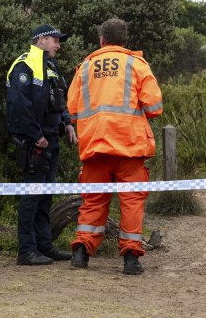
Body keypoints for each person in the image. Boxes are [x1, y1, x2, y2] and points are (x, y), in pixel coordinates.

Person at [67, 18, 163, 275]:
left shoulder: (85, 67)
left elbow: (72, 111)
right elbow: (155, 107)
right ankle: (131, 258)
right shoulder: (137, 64)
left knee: (93, 201)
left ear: (101, 39)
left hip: (94, 146)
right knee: (131, 202)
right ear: (124, 40)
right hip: (129, 147)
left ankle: (80, 253)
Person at [6, 24, 78, 266]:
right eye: (56, 41)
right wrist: (36, 135)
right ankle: (26, 250)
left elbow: (59, 99)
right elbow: (19, 105)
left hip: (52, 140)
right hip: (35, 142)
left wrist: (67, 122)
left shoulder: (51, 66)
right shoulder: (24, 65)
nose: (59, 45)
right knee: (31, 197)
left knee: (45, 196)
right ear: (42, 40)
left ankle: (44, 247)